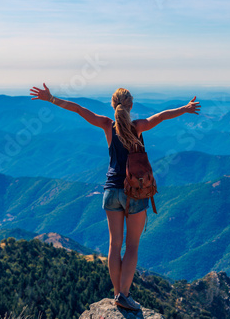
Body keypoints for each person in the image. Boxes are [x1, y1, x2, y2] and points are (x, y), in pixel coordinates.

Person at [29, 84, 201, 310]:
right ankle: (125, 295)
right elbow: (162, 116)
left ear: (114, 106)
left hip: (110, 192)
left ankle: (117, 293)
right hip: (134, 191)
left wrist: (50, 98)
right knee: (132, 246)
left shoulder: (106, 126)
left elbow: (79, 109)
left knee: (114, 244)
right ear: (130, 106)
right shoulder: (137, 127)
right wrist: (186, 108)